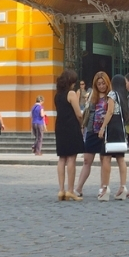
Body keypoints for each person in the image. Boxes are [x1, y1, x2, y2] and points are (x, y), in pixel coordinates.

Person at [73, 70, 125, 201]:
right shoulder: (92, 96)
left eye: (103, 83)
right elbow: (89, 113)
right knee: (86, 161)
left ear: (107, 83)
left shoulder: (111, 95)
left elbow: (112, 112)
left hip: (106, 132)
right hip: (92, 130)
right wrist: (84, 128)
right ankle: (78, 188)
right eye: (98, 84)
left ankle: (103, 187)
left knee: (104, 160)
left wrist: (103, 128)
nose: (101, 86)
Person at [54, 69, 85, 201]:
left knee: (62, 159)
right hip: (71, 127)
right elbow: (78, 113)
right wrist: (82, 124)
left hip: (60, 126)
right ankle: (71, 190)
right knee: (71, 158)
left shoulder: (57, 95)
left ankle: (61, 190)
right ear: (71, 81)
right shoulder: (71, 93)